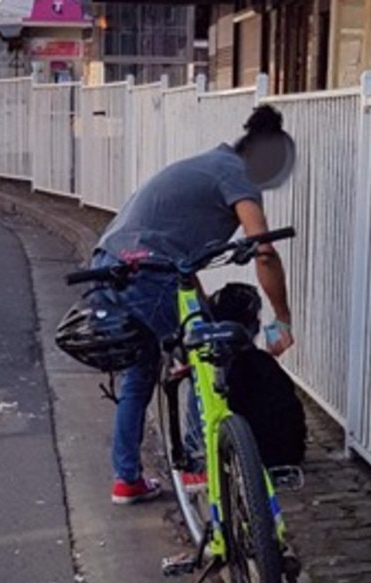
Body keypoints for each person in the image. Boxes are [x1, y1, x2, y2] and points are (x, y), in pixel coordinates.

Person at [92, 104, 295, 505]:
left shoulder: (206, 165)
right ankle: (199, 466)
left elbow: (179, 260)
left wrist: (201, 308)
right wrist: (283, 320)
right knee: (207, 353)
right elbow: (264, 251)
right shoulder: (236, 175)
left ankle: (126, 479)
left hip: (109, 264)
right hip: (146, 271)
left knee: (141, 370)